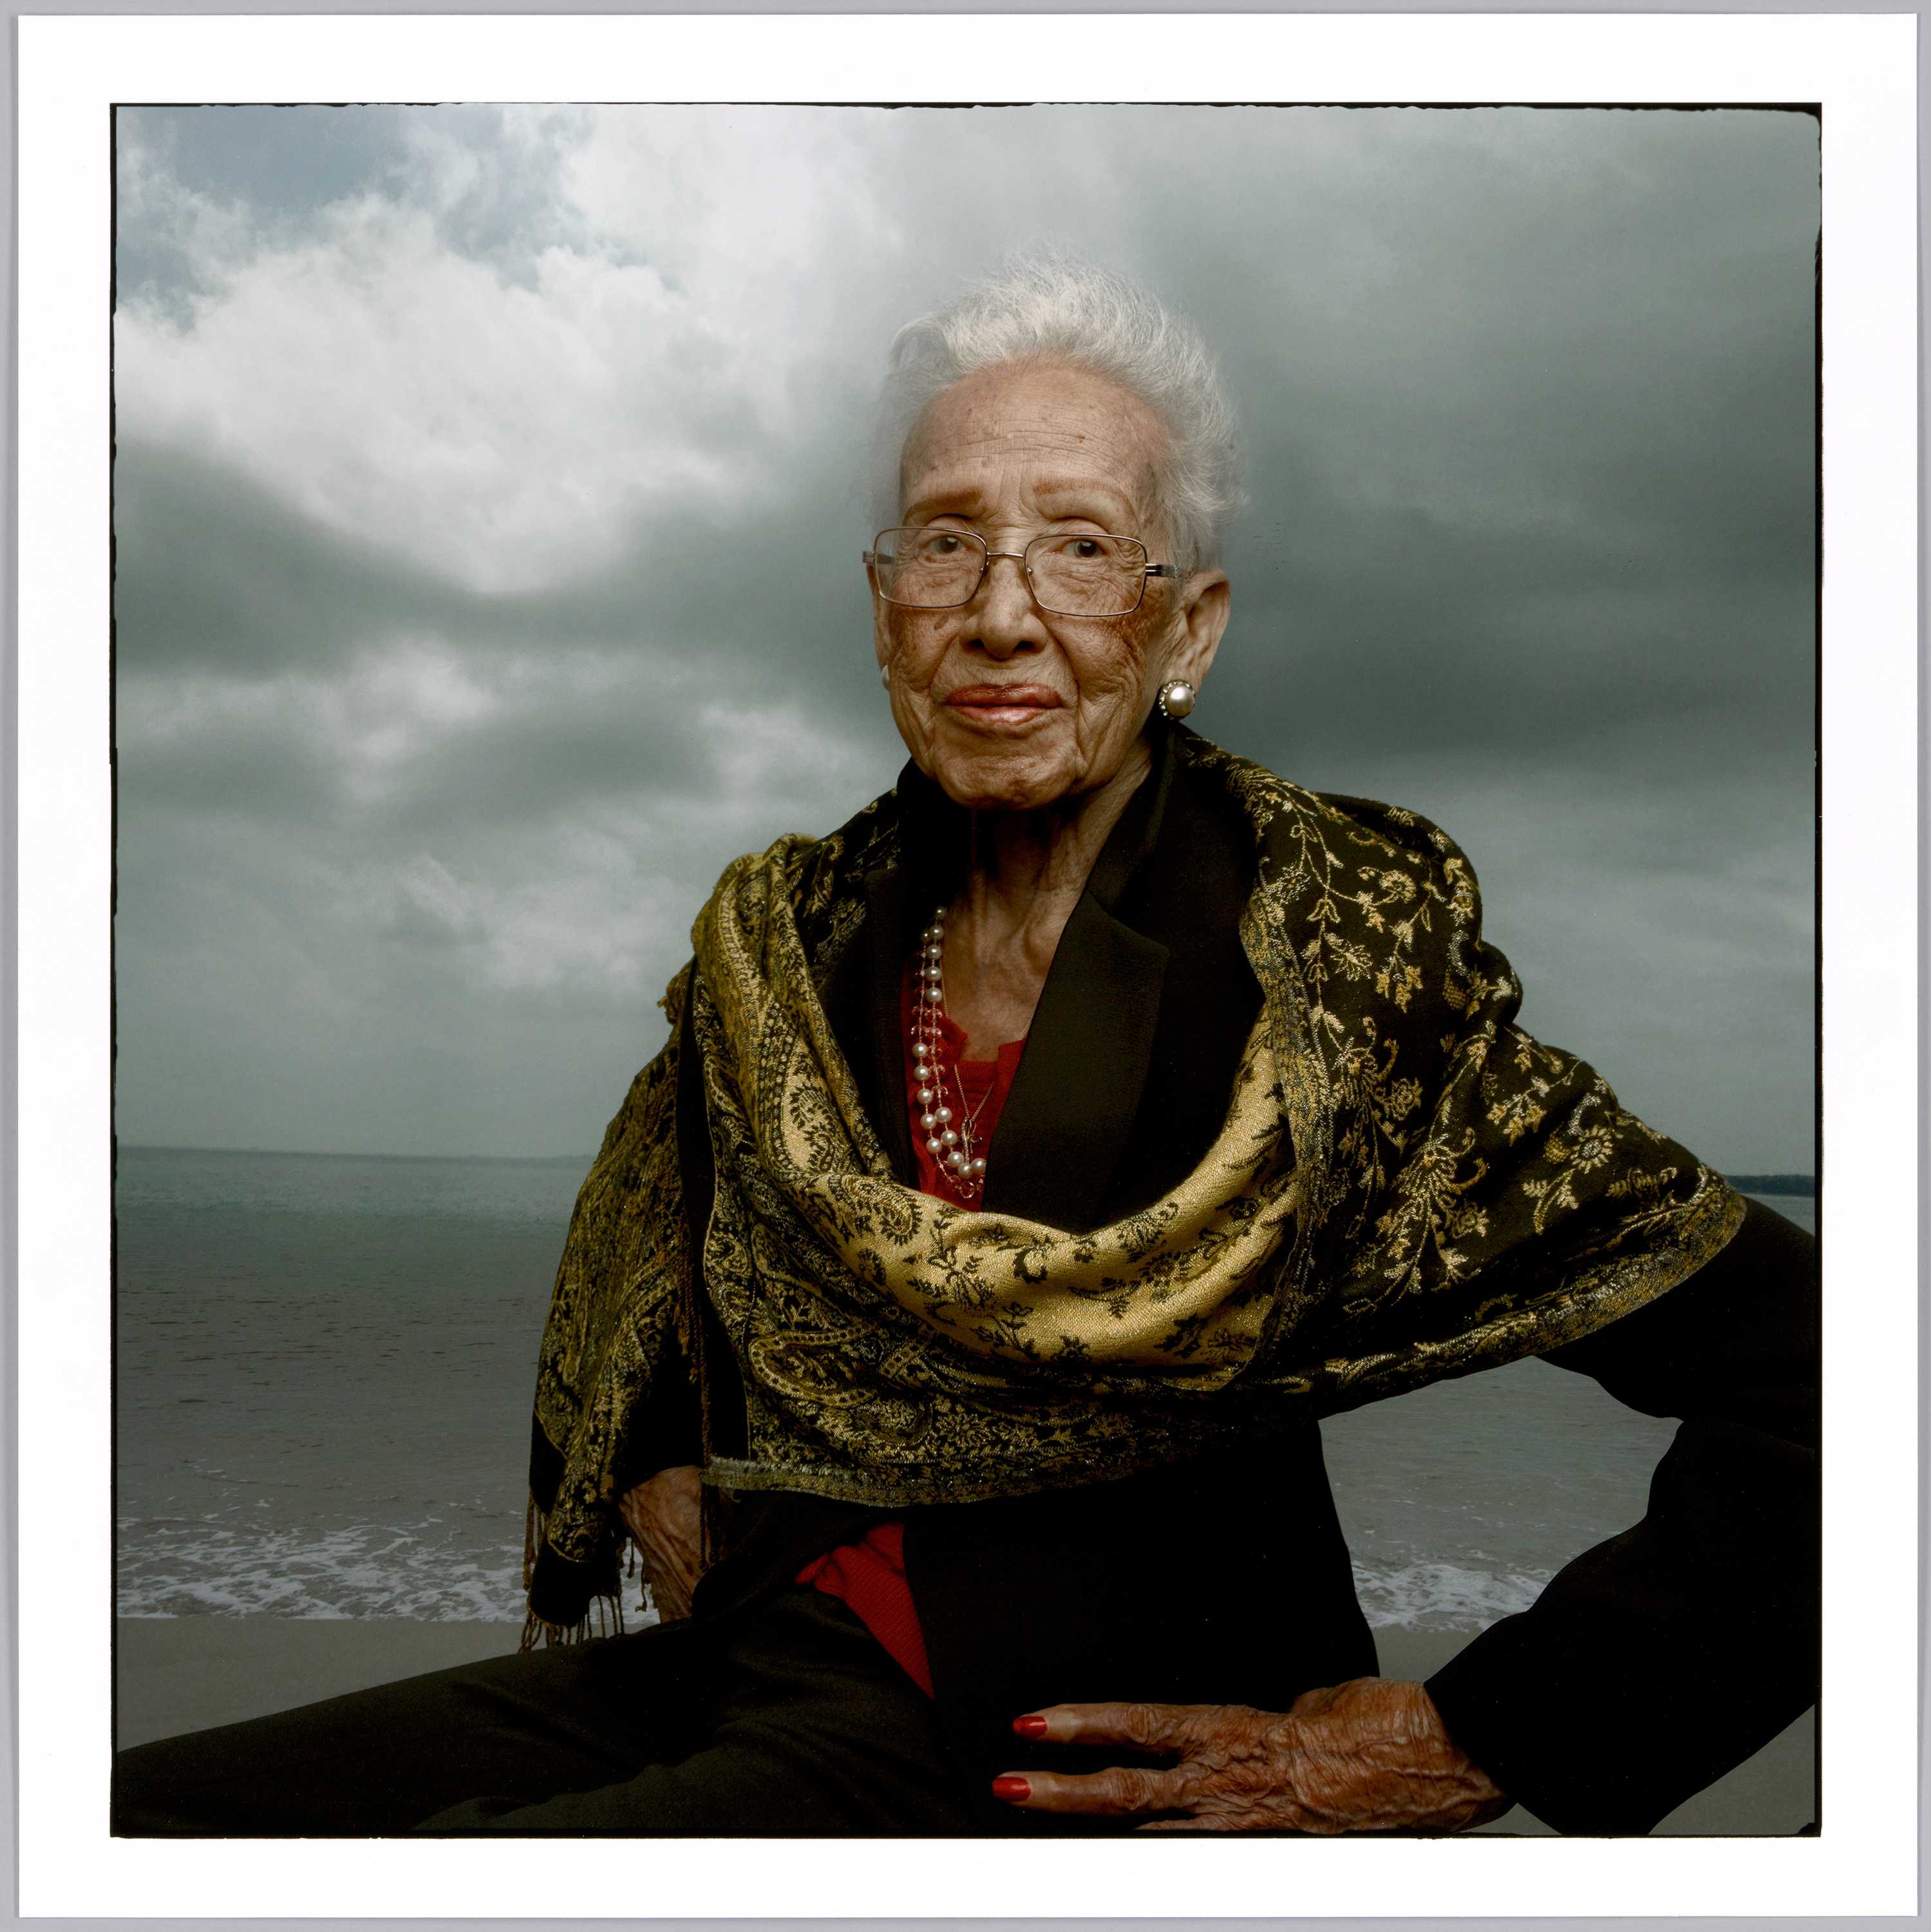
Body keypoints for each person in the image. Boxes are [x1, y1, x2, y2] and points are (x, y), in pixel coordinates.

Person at [115, 256, 1818, 1839]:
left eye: (1080, 544)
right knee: (135, 1820)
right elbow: (667, 1224)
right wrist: (648, 1453)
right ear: (883, 610)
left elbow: (1833, 1377)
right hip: (756, 1658)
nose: (1003, 612)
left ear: (1190, 628)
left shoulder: (1333, 980)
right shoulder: (783, 943)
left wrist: (1484, 1734)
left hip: (1063, 1757)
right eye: (945, 542)